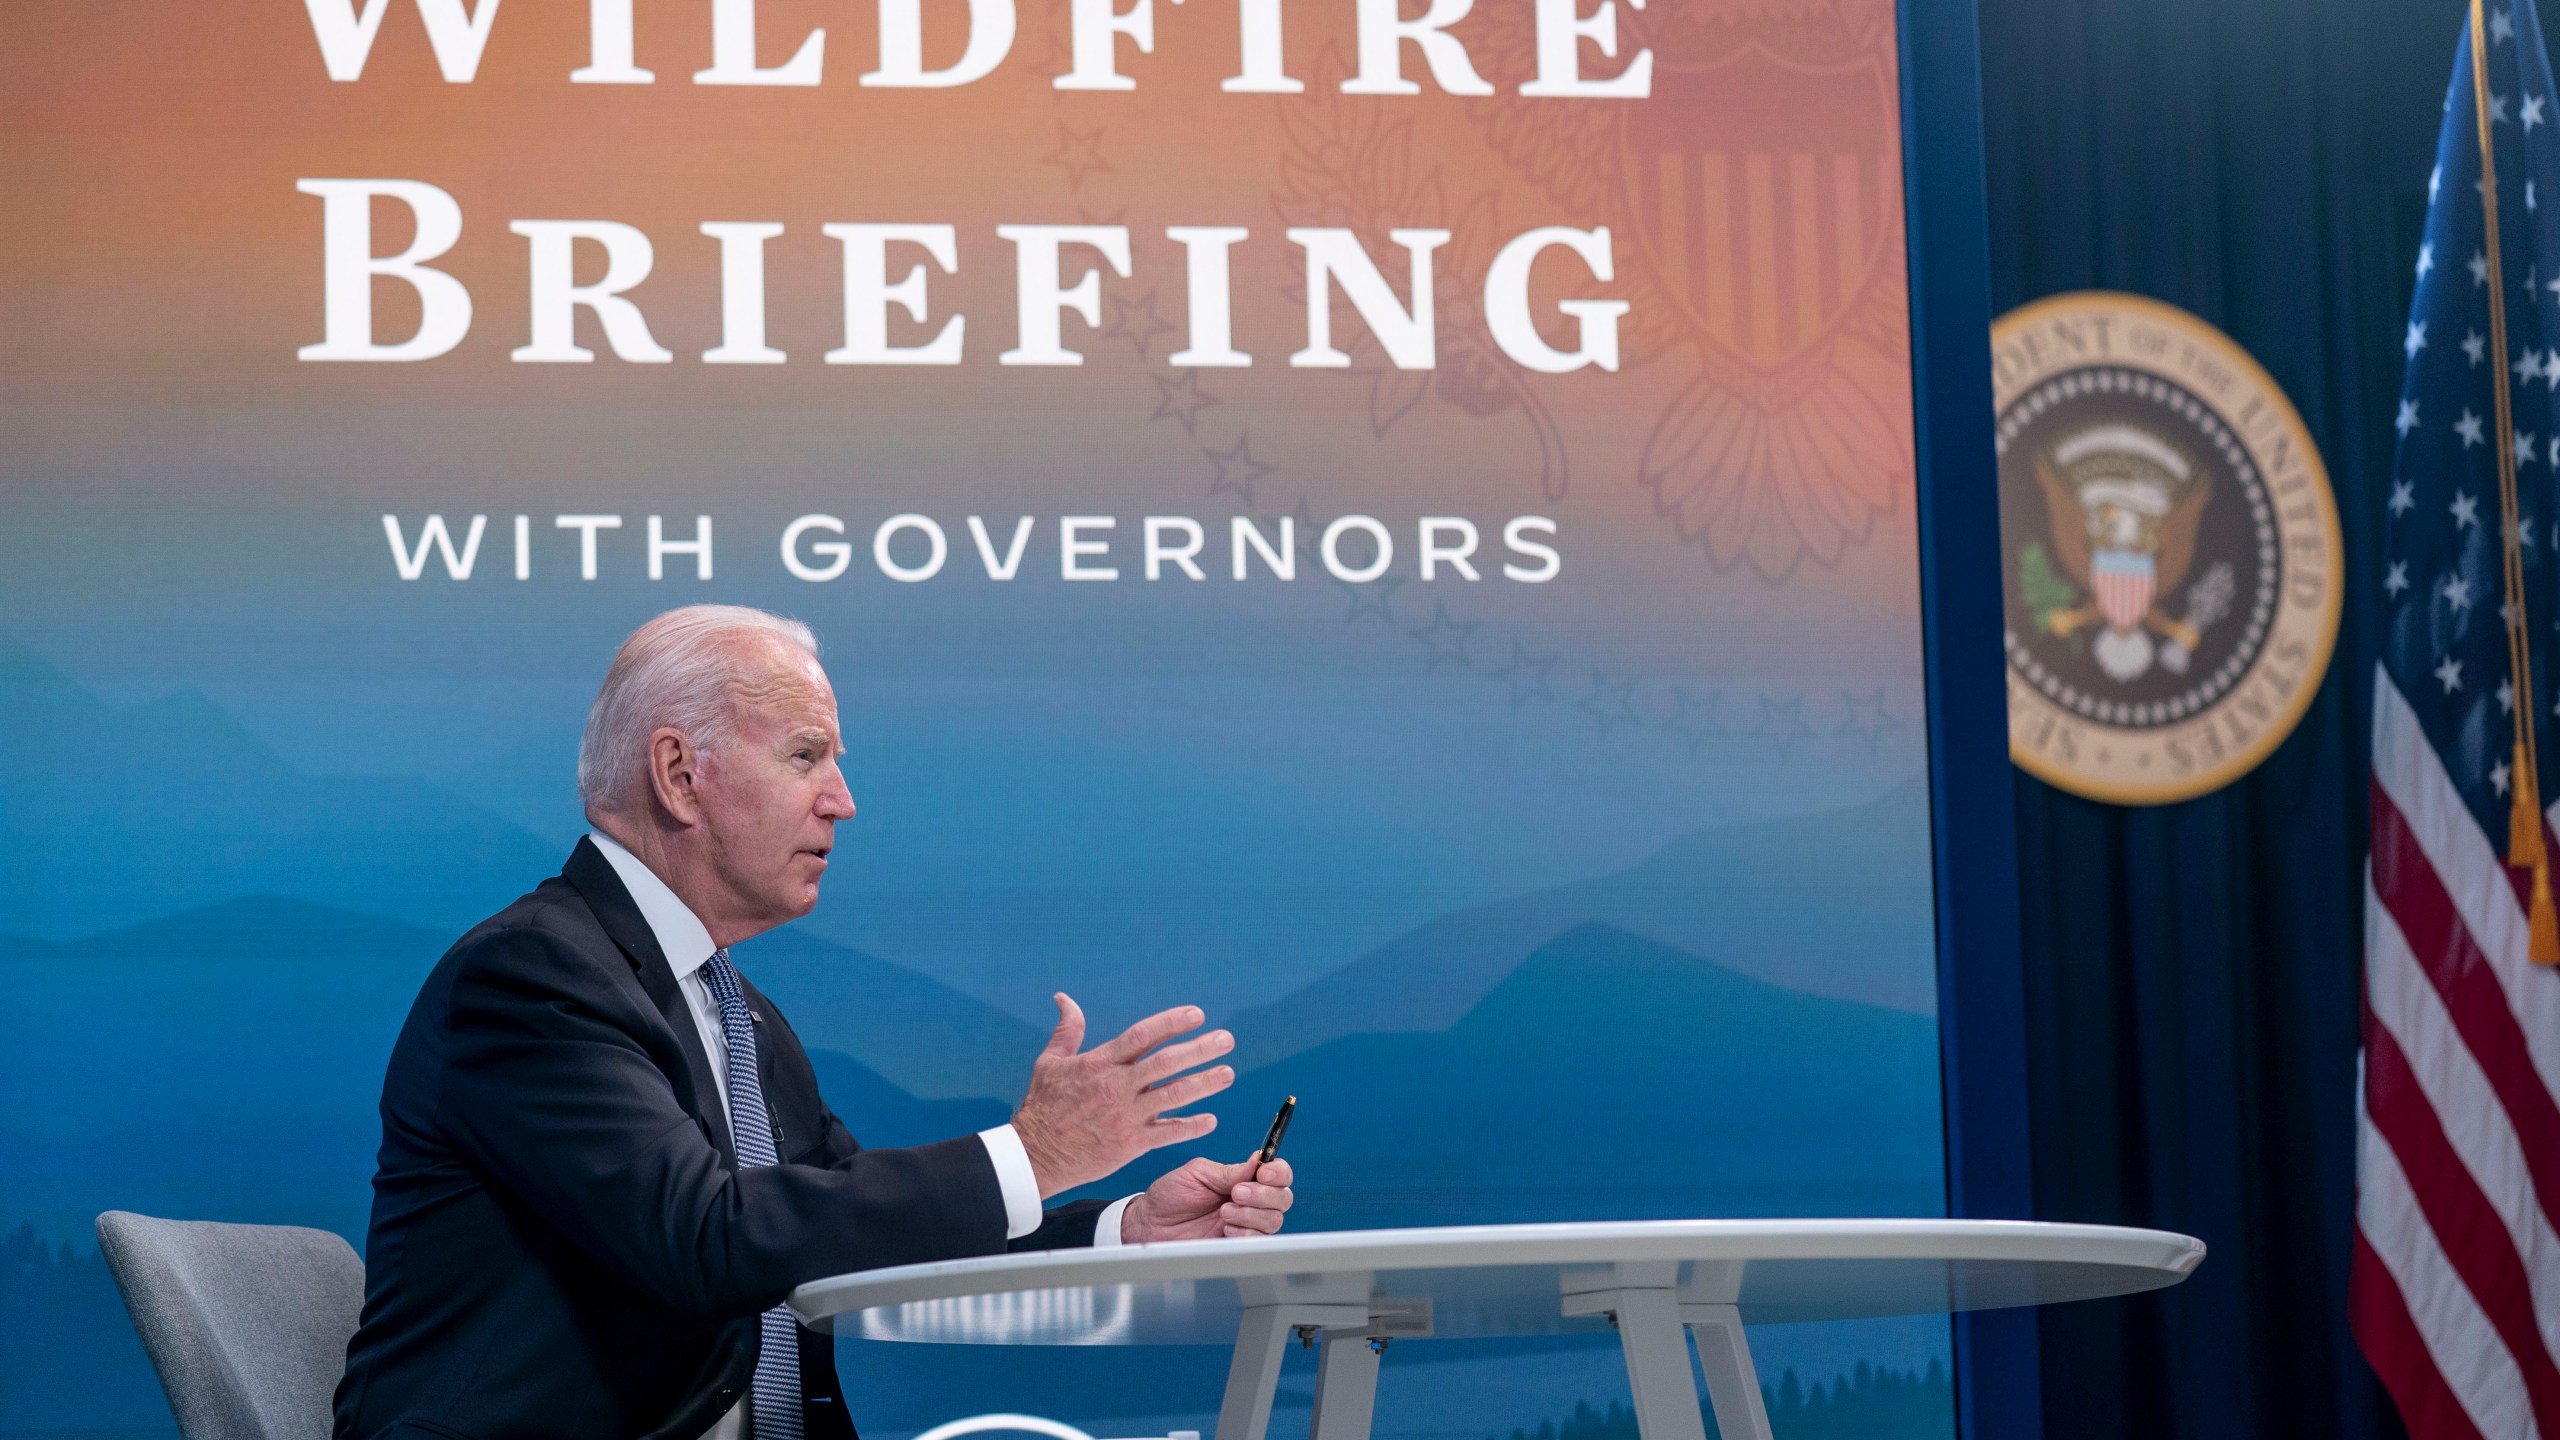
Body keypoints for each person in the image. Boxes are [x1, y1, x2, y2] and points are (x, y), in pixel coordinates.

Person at [335, 605, 1295, 1440]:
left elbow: (853, 1228)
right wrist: (1033, 1152)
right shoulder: (529, 978)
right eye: (807, 756)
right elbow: (706, 1241)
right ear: (678, 774)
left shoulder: (742, 1018)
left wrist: (1126, 1231)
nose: (843, 799)